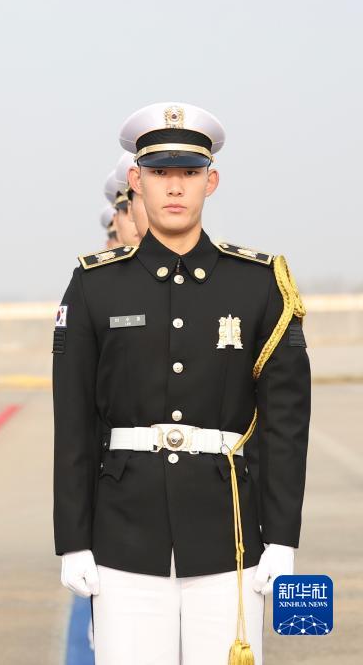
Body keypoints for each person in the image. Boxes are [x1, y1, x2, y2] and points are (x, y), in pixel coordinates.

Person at [54, 102, 310, 664]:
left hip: (229, 535)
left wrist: (282, 538)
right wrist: (72, 540)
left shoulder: (259, 284)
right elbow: (73, 423)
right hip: (124, 535)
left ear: (211, 182)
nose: (175, 187)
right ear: (136, 181)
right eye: (160, 172)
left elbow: (286, 424)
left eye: (190, 173)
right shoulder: (95, 286)